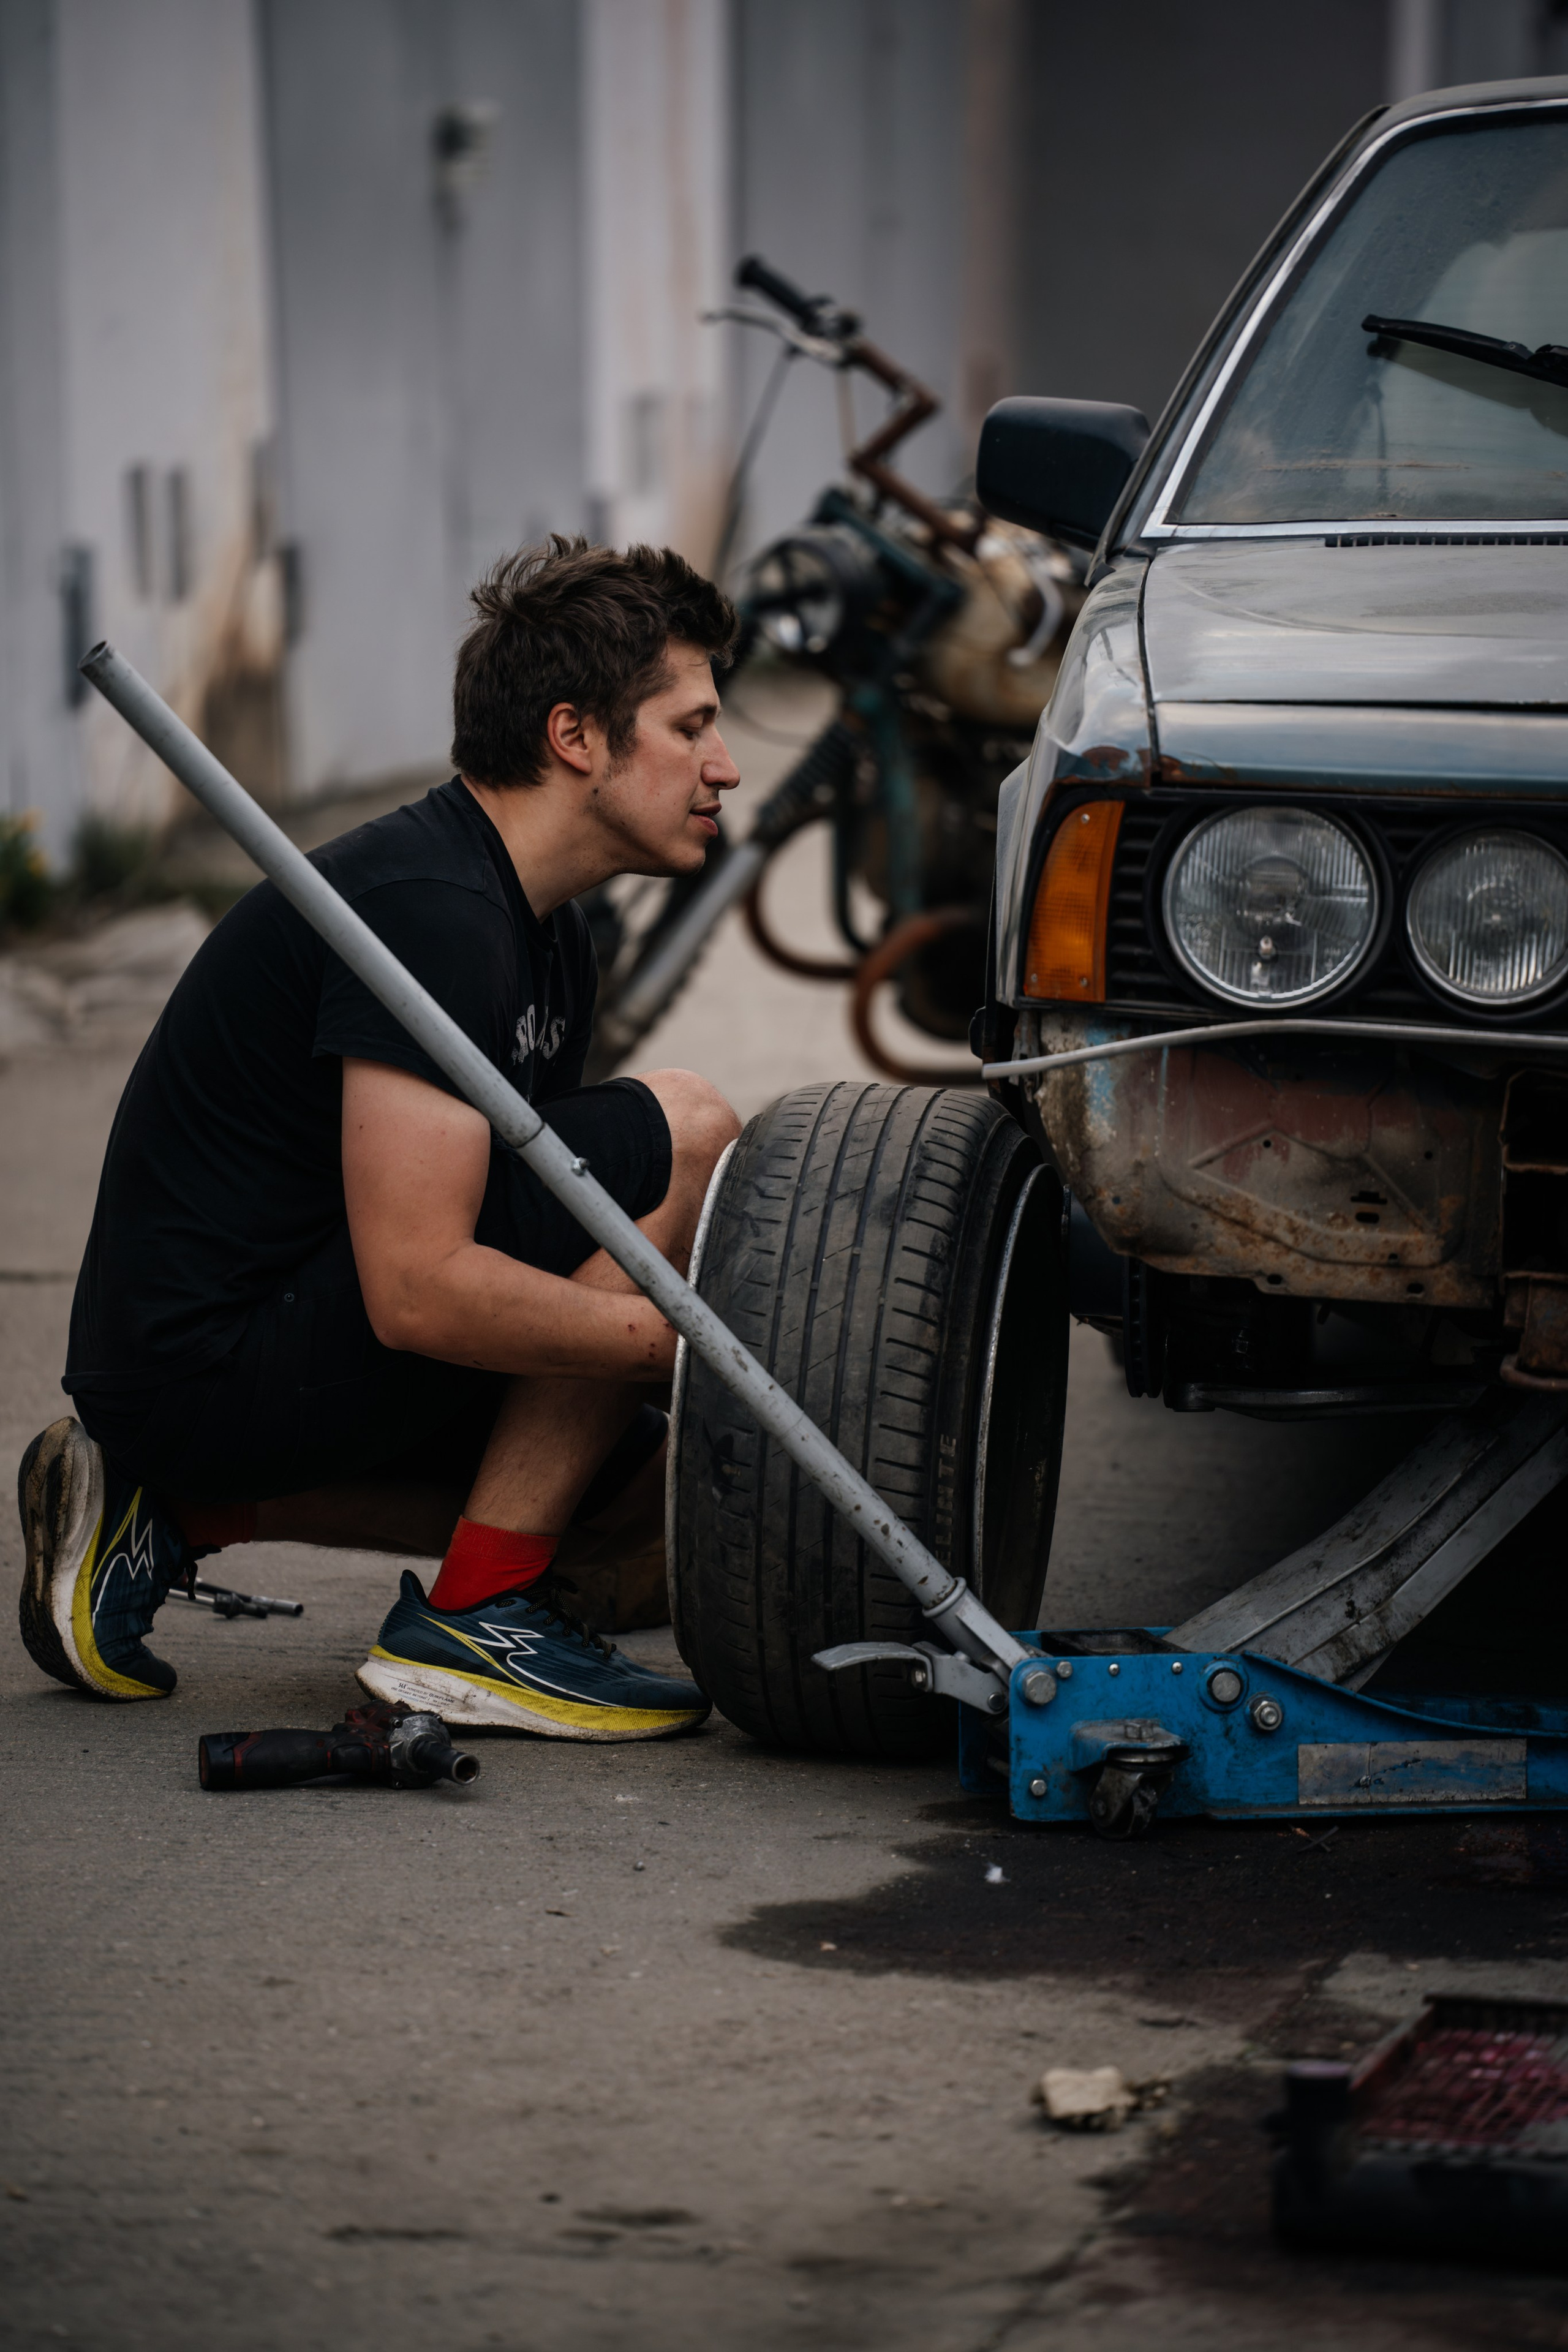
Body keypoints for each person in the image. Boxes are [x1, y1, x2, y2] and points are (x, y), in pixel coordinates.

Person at [18, 538, 743, 1740]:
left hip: (273, 1353)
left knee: (642, 1506)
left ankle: (169, 1517)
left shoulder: (547, 929)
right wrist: (691, 1353)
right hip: (209, 1362)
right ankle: (478, 1619)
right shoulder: (432, 911)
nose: (724, 766)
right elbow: (420, 1290)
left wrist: (641, 1382)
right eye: (691, 726)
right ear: (575, 737)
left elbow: (547, 1233)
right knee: (687, 1129)